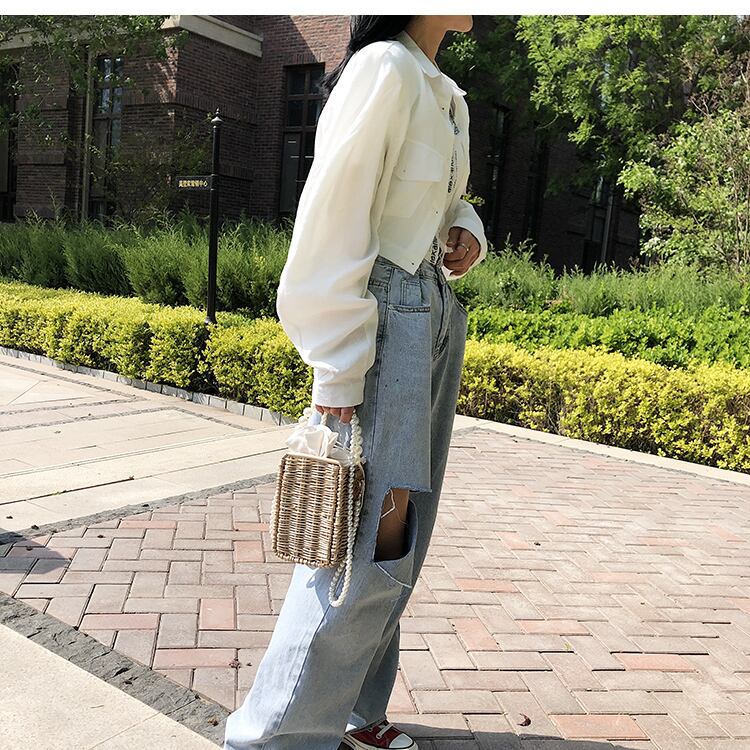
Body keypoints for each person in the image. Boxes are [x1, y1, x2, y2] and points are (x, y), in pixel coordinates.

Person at [224, 15, 487, 750]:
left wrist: (465, 227)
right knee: (367, 542)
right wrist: (337, 368)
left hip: (431, 315)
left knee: (402, 537)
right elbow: (333, 220)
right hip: (386, 328)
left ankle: (353, 710)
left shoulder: (443, 91)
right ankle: (271, 738)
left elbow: (427, 203)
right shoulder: (382, 69)